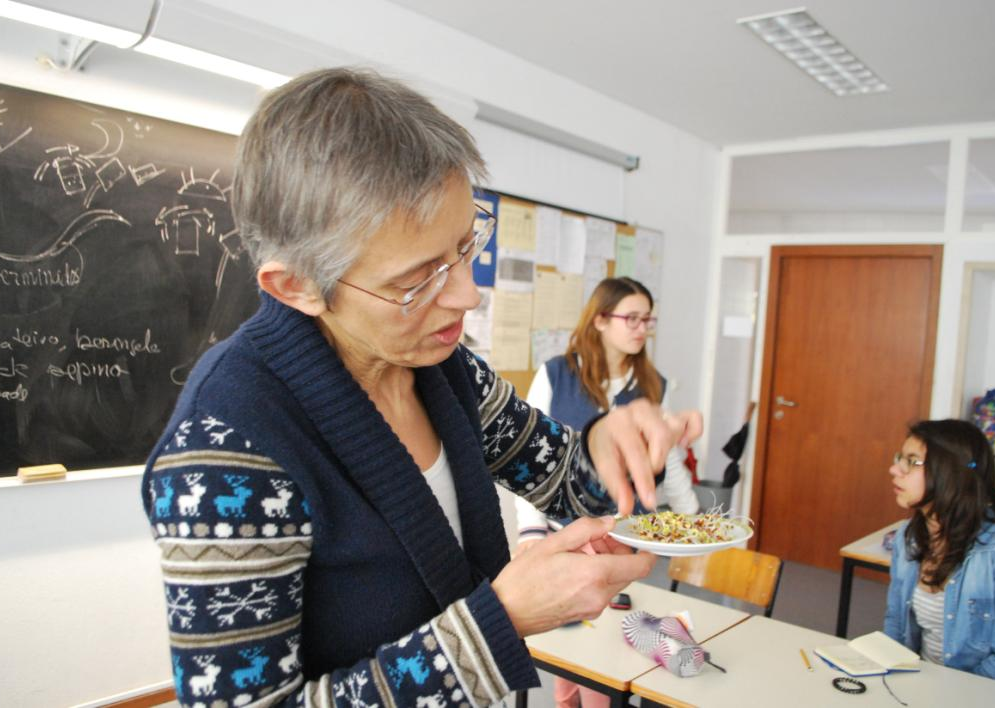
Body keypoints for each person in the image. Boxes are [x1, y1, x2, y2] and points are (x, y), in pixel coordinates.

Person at [140, 68, 703, 708]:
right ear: (295, 286)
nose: (467, 294)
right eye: (419, 278)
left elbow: (578, 489)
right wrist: (501, 622)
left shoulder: (445, 367)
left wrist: (610, 444)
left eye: (465, 247)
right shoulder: (226, 445)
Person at [514, 276, 699, 708]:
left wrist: (692, 521)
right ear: (599, 319)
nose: (640, 328)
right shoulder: (556, 374)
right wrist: (531, 534)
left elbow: (665, 459)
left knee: (606, 663)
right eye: (631, 318)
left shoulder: (654, 383)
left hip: (623, 542)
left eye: (647, 320)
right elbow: (528, 466)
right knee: (566, 665)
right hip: (564, 539)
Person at [883, 419, 995, 690]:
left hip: (981, 696)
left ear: (950, 472)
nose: (894, 469)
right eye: (900, 458)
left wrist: (941, 692)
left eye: (912, 461)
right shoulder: (908, 538)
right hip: (922, 687)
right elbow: (896, 627)